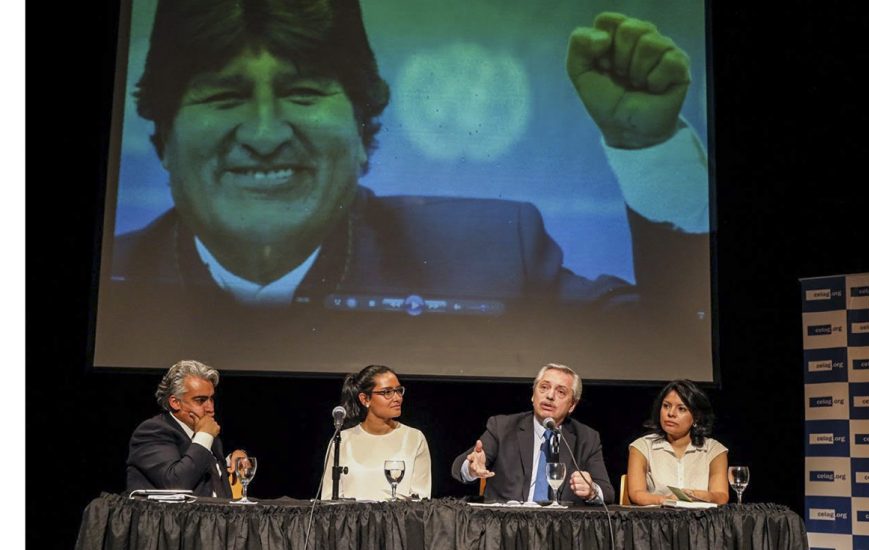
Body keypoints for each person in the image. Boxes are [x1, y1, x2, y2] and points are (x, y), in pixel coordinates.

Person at [98, 0, 710, 372]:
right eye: (223, 96)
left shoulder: (495, 252)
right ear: (163, 137)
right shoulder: (113, 288)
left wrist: (647, 146)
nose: (263, 134)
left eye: (303, 93)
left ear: (364, 131)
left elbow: (674, 345)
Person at [451, 363, 614, 505]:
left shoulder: (587, 438)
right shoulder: (502, 428)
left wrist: (592, 491)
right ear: (533, 394)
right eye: (544, 387)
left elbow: (607, 493)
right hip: (505, 524)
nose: (550, 396)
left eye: (561, 392)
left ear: (572, 405)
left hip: (559, 527)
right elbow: (458, 467)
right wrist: (471, 468)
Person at [126, 360, 237, 497]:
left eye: (211, 399)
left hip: (215, 511)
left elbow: (209, 480)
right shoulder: (153, 431)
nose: (210, 409)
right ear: (175, 402)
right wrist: (204, 436)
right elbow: (176, 483)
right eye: (200, 400)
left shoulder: (209, 436)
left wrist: (231, 461)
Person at [322, 365, 431, 500]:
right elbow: (329, 498)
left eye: (398, 391)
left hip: (401, 514)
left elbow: (421, 498)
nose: (397, 398)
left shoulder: (414, 438)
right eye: (387, 392)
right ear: (365, 399)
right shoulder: (341, 441)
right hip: (351, 514)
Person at [627, 379, 729, 505]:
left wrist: (695, 495)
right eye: (666, 406)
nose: (670, 413)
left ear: (696, 417)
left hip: (701, 516)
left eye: (681, 409)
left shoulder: (714, 450)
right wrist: (665, 500)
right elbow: (636, 493)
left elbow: (721, 496)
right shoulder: (642, 447)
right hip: (657, 515)